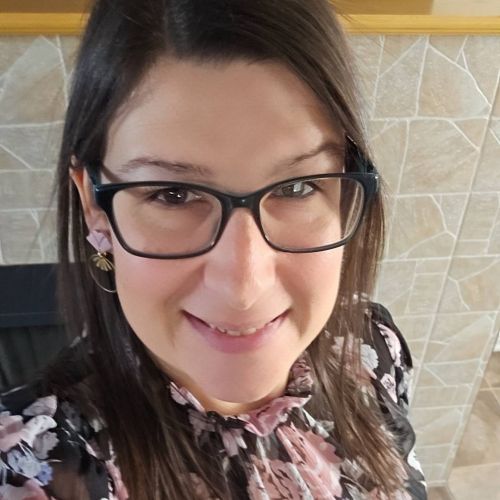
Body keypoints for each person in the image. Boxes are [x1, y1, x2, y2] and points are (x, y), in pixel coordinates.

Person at [0, 0, 428, 498]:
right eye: (173, 194)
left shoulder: (371, 348)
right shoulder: (31, 469)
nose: (244, 286)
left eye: (297, 187)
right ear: (94, 204)